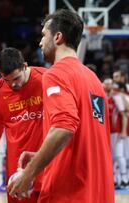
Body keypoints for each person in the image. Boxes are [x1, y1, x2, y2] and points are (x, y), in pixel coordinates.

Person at [8, 9, 114, 203]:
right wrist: (42, 155)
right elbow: (83, 136)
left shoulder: (56, 74)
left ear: (57, 37)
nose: (40, 42)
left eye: (43, 36)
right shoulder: (94, 80)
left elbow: (64, 127)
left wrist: (29, 174)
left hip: (70, 193)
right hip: (100, 192)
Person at [0, 47, 46, 203]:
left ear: (25, 66)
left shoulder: (46, 79)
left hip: (47, 165)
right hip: (17, 170)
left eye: (17, 78)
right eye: (7, 80)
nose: (13, 84)